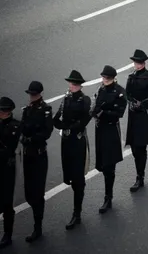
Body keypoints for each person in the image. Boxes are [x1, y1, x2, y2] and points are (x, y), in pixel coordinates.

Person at [52, 70, 91, 230]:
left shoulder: (84, 100)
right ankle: (76, 208)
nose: (72, 86)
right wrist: (61, 127)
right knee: (69, 175)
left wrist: (70, 127)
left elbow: (84, 120)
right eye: (71, 83)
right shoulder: (66, 99)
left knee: (78, 178)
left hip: (78, 141)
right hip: (67, 141)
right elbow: (57, 118)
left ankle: (77, 212)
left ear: (79, 85)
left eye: (75, 84)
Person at [91, 65, 127, 213]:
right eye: (104, 77)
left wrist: (103, 113)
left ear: (112, 78)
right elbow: (95, 106)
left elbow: (119, 113)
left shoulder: (119, 92)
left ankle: (108, 197)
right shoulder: (100, 90)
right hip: (100, 130)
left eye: (107, 78)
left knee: (109, 165)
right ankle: (108, 195)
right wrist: (94, 112)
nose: (104, 80)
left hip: (111, 130)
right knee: (102, 164)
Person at [20, 81, 53, 242]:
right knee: (28, 192)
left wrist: (31, 138)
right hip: (28, 155)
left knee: (37, 193)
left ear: (39, 94)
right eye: (30, 94)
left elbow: (46, 132)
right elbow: (23, 128)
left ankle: (37, 226)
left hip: (39, 155)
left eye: (33, 94)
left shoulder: (45, 110)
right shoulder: (27, 110)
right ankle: (36, 220)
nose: (31, 97)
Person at [125, 49, 148, 191]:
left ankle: (140, 176)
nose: (136, 65)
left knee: (141, 145)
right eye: (135, 62)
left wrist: (142, 104)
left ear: (143, 63)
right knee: (133, 145)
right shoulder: (131, 77)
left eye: (138, 62)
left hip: (144, 113)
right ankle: (139, 172)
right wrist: (132, 103)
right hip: (133, 113)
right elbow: (127, 93)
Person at [0, 97, 21, 249]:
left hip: (6, 168)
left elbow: (9, 149)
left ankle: (8, 234)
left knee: (7, 202)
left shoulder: (14, 126)